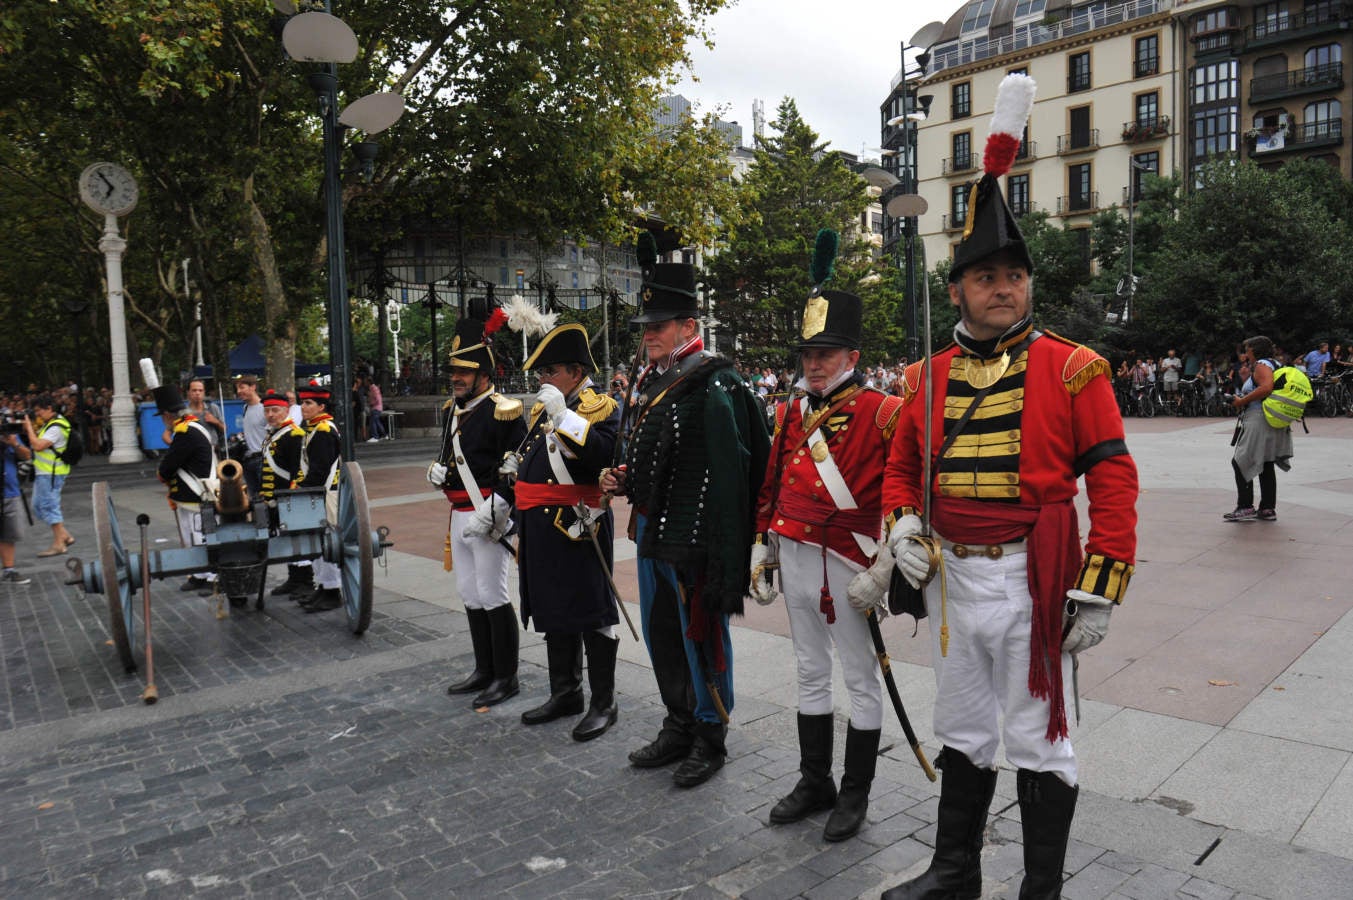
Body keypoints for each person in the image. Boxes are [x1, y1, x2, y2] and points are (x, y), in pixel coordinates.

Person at [879, 73, 1138, 900]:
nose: (1004, 287)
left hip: (1036, 577)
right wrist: (898, 529)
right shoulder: (924, 375)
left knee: (1039, 738)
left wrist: (1098, 586)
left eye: (1015, 274)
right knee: (959, 727)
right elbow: (898, 470)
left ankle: (1039, 890)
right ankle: (954, 872)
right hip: (954, 580)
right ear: (956, 287)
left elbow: (1114, 478)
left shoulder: (1073, 367)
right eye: (986, 275)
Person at [600, 258, 770, 789]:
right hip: (653, 530)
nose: (649, 334)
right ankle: (677, 721)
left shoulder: (713, 382)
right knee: (661, 632)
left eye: (660, 325)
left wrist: (719, 550)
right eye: (646, 326)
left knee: (701, 635)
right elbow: (663, 456)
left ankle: (709, 734)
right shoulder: (658, 380)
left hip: (692, 537)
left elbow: (730, 469)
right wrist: (628, 477)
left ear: (689, 328)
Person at [751, 275, 902, 842]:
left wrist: (884, 565)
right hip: (794, 554)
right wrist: (762, 547)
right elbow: (772, 484)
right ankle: (816, 781)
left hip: (847, 561)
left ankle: (856, 793)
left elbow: (903, 493)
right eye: (809, 354)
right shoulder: (791, 413)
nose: (815, 365)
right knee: (809, 670)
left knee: (861, 679)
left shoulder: (883, 411)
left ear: (852, 356)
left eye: (826, 354)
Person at [507, 323, 623, 741]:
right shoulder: (542, 410)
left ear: (575, 372)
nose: (542, 380)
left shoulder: (603, 407)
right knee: (554, 610)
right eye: (541, 373)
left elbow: (605, 455)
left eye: (550, 371)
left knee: (593, 612)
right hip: (542, 525)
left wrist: (564, 415)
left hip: (579, 524)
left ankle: (603, 702)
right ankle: (566, 692)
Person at [427, 312, 527, 708]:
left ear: (485, 374)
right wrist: (439, 473)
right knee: (469, 592)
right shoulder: (454, 410)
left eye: (465, 372)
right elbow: (452, 457)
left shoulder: (505, 409)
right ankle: (484, 669)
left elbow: (516, 463)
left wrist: (499, 506)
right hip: (458, 513)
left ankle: (507, 677)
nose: (457, 378)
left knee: (491, 592)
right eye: (454, 370)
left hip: (489, 514)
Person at [154, 383, 218, 593]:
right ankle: (199, 574)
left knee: (201, 536)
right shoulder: (188, 428)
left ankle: (213, 577)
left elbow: (170, 464)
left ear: (167, 415)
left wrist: (162, 474)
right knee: (191, 536)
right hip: (188, 496)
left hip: (197, 494)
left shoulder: (186, 432)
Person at [1223, 336, 1294, 522]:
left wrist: (1241, 400)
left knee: (1240, 461)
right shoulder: (1276, 364)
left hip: (1259, 419)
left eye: (1248, 350)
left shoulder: (1262, 364)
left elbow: (1266, 388)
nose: (1246, 354)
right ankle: (1267, 509)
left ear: (1255, 350)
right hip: (1272, 418)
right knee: (1266, 463)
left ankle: (1246, 506)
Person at [294, 382, 345, 612]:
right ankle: (324, 587)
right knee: (318, 542)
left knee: (328, 542)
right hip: (317, 494)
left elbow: (319, 470)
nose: (303, 407)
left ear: (321, 406)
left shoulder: (324, 430)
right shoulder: (314, 428)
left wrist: (301, 488)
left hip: (325, 494)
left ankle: (332, 590)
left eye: (308, 403)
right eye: (302, 402)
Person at [259, 390, 310, 598]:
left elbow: (298, 469)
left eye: (275, 410)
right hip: (275, 497)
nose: (271, 414)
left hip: (288, 497)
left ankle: (305, 582)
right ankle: (294, 578)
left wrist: (291, 495)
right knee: (287, 539)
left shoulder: (293, 435)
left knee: (297, 539)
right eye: (267, 410)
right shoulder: (274, 433)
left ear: (286, 410)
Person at [24, 395, 76, 557]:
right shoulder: (50, 424)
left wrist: (28, 428)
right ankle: (64, 535)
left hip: (51, 473)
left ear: (49, 409)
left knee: (49, 506)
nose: (38, 414)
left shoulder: (56, 427)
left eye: (39, 410)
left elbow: (38, 445)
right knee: (38, 507)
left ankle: (59, 544)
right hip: (44, 472)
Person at [2, 426, 33, 585]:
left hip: (10, 492)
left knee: (9, 534)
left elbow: (27, 455)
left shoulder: (8, 435)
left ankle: (9, 570)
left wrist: (14, 444)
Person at [235, 375, 267, 498]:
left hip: (262, 459)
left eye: (242, 387)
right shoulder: (245, 407)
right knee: (253, 498)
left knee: (264, 498)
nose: (238, 392)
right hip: (248, 460)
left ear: (253, 387)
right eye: (237, 388)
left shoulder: (265, 408)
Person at [366, 376, 386, 442]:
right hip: (378, 408)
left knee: (373, 422)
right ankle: (384, 435)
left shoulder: (373, 388)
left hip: (376, 408)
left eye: (366, 381)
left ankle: (375, 436)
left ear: (368, 382)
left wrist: (372, 403)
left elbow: (377, 399)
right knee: (377, 422)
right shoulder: (373, 388)